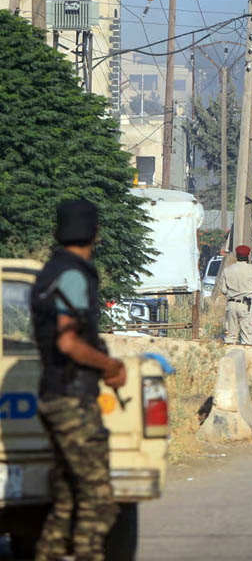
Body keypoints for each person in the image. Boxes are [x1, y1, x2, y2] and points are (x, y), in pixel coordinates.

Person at [30, 200, 125, 560]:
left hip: (54, 394)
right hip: (71, 399)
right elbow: (68, 341)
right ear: (95, 234)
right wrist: (110, 365)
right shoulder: (72, 275)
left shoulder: (49, 273)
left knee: (68, 501)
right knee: (99, 502)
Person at [218, 245, 252, 344]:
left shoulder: (227, 270)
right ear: (248, 256)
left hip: (231, 305)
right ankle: (246, 358)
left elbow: (223, 290)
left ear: (237, 255)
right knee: (247, 336)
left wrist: (232, 293)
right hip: (246, 305)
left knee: (231, 336)